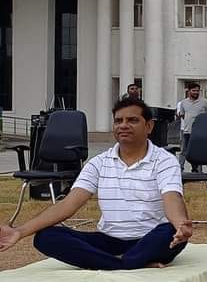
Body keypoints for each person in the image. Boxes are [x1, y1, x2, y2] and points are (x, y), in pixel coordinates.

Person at [0, 97, 193, 270]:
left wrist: (179, 225)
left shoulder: (164, 160)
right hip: (108, 241)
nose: (124, 125)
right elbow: (68, 204)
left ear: (149, 127)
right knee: (46, 237)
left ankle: (114, 262)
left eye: (132, 120)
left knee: (169, 232)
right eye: (119, 121)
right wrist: (19, 231)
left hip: (149, 238)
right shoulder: (99, 162)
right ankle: (127, 263)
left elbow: (172, 198)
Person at [177, 83, 207, 173]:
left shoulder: (205, 102)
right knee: (184, 151)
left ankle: (206, 168)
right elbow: (182, 115)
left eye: (197, 90)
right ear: (189, 91)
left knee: (201, 151)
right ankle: (181, 169)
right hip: (187, 131)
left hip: (201, 132)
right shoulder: (183, 103)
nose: (196, 92)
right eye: (194, 90)